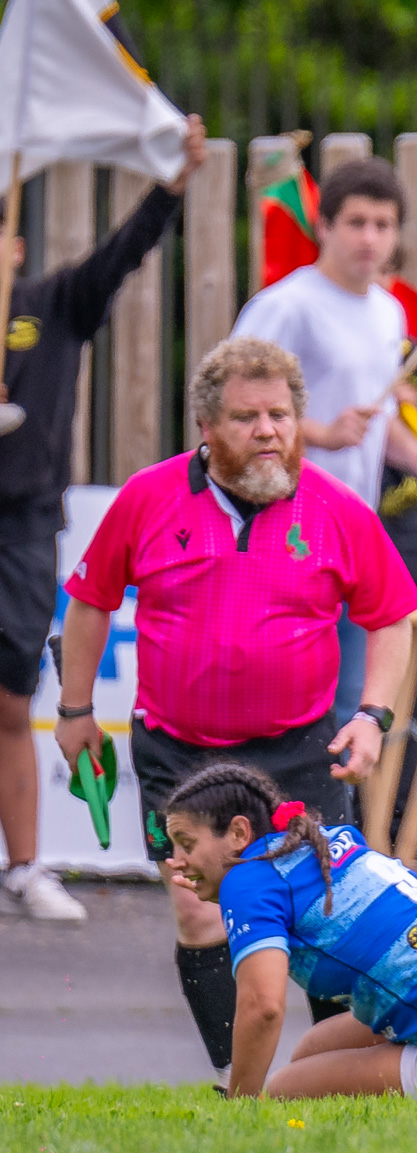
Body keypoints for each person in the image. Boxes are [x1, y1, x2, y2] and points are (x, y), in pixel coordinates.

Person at [53, 337, 417, 1092]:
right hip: (178, 754)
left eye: (281, 415)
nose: (268, 432)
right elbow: (90, 600)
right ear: (206, 426)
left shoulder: (335, 510)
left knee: (326, 920)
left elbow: (391, 615)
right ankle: (236, 1079)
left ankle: (327, 1081)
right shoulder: (150, 498)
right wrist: (75, 708)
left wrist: (373, 716)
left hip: (297, 751)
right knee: (199, 914)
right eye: (247, 417)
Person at [0, 116, 209, 923]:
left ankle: (24, 866)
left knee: (13, 701)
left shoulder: (54, 304)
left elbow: (124, 254)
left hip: (23, 527)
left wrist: (173, 184)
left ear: (15, 247)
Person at [162, 762, 417, 1101]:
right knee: (312, 1049)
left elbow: (263, 1008)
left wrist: (240, 1102)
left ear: (237, 834)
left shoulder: (246, 881)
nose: (176, 861)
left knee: (285, 1088)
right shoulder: (325, 841)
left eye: (186, 843)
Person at [232, 157, 417, 731]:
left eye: (384, 225)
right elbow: (227, 414)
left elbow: (376, 421)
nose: (370, 238)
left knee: (352, 701)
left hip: (352, 530)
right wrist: (319, 433)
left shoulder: (387, 312)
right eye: (356, 222)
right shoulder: (285, 307)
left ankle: (335, 824)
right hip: (278, 527)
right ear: (325, 227)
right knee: (289, 696)